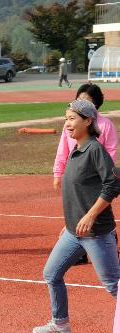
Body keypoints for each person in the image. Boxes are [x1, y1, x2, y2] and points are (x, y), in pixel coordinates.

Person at [33, 99, 120, 333]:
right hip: (74, 232)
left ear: (88, 121)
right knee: (52, 273)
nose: (67, 123)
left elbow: (114, 184)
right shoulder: (76, 148)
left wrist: (91, 215)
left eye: (72, 119)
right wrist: (71, 221)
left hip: (97, 233)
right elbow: (81, 192)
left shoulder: (94, 149)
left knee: (114, 285)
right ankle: (60, 325)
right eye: (66, 118)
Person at [54, 83, 118, 266]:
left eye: (87, 101)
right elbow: (63, 149)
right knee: (78, 208)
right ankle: (79, 250)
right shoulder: (72, 126)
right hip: (77, 174)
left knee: (98, 212)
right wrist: (58, 172)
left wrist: (100, 172)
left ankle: (111, 245)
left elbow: (110, 154)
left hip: (95, 176)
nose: (82, 103)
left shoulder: (105, 127)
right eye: (79, 99)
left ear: (96, 105)